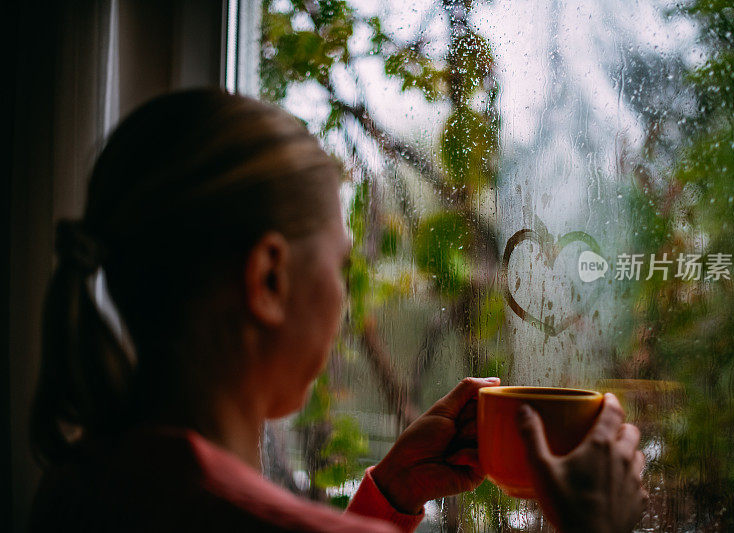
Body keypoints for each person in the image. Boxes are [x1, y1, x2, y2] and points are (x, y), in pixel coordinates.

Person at [29, 89, 647, 532]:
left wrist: (390, 496)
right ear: (268, 278)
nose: (346, 299)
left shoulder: (81, 479)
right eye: (342, 268)